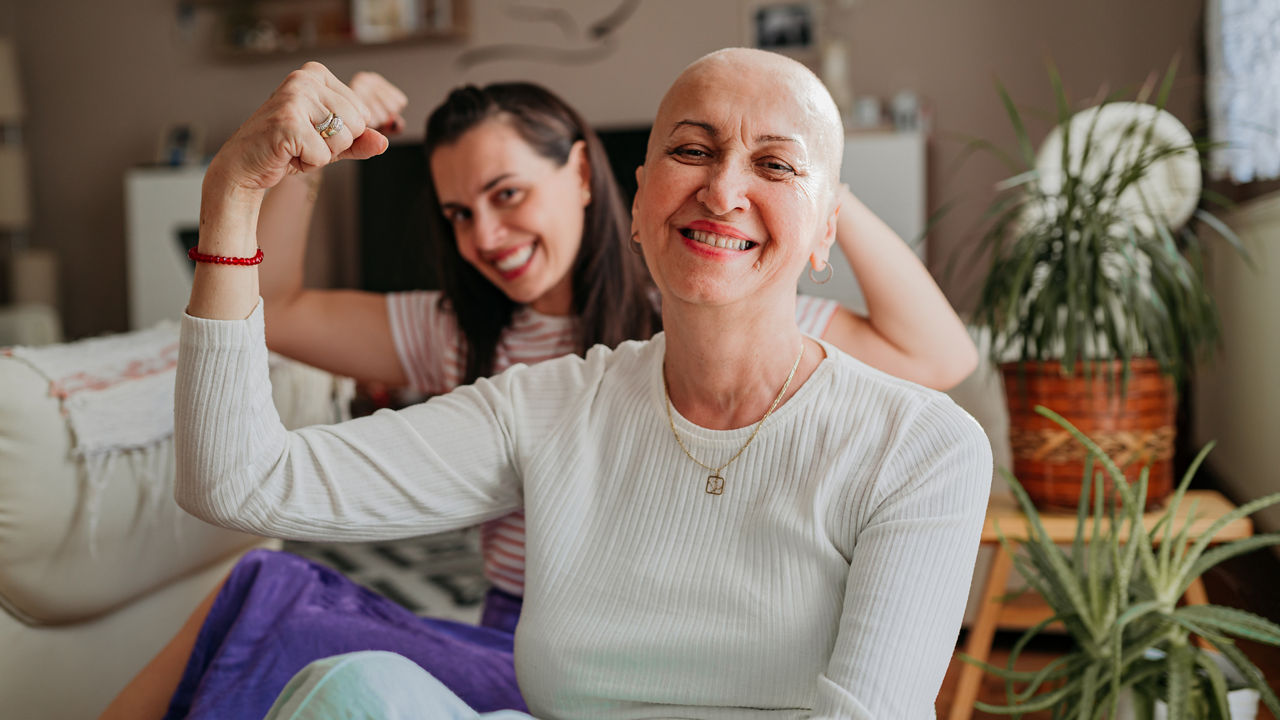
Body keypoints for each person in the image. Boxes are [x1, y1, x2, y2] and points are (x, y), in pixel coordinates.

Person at [103, 62, 979, 720]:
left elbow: (938, 353)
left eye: (775, 166)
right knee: (350, 683)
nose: (722, 188)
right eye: (691, 149)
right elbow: (235, 482)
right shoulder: (541, 398)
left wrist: (817, 177)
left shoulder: (915, 443)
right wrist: (233, 196)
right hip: (516, 665)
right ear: (637, 203)